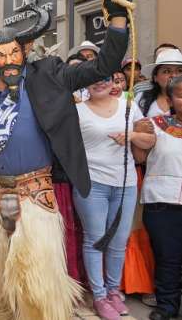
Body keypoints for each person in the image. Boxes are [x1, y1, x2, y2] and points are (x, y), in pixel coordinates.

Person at [0, 0, 131, 320]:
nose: (7, 61)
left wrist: (118, 21)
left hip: (33, 193)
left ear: (24, 51)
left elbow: (105, 65)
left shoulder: (49, 75)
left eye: (13, 53)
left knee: (35, 286)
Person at [74, 76, 152, 320]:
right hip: (92, 185)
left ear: (114, 81)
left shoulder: (128, 106)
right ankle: (99, 296)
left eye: (105, 78)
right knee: (95, 241)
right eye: (93, 79)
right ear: (85, 82)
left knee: (119, 242)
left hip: (126, 183)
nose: (99, 83)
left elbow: (149, 139)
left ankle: (113, 291)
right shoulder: (77, 111)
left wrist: (131, 137)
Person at [132, 76, 182, 320]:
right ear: (170, 99)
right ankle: (167, 306)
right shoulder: (155, 124)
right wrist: (138, 135)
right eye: (180, 94)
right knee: (168, 257)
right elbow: (139, 158)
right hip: (163, 201)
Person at [137, 49, 182, 117]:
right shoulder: (142, 98)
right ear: (155, 77)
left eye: (179, 70)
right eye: (166, 71)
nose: (174, 75)